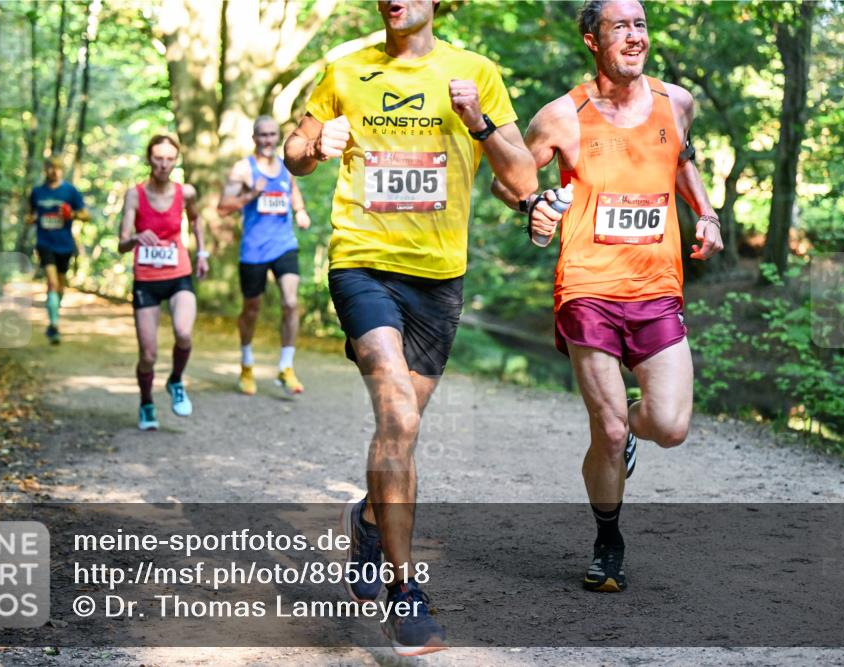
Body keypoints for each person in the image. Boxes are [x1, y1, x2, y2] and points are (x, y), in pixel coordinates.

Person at [284, 0, 538, 656]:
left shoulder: (475, 72)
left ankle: (368, 519)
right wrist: (315, 146)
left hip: (438, 278)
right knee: (397, 415)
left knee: (402, 427)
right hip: (362, 263)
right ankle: (405, 594)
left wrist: (479, 123)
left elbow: (522, 178)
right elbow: (294, 153)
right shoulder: (345, 70)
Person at [493, 0, 724, 593]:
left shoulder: (677, 102)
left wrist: (707, 213)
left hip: (657, 287)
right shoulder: (561, 117)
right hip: (587, 290)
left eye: (640, 24)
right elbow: (507, 179)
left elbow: (681, 158)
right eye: (620, 26)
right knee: (610, 428)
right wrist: (534, 207)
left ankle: (625, 437)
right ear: (593, 41)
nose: (634, 35)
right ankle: (608, 540)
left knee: (669, 425)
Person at [118, 135, 210, 431]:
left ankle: (175, 381)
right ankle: (146, 402)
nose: (163, 164)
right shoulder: (135, 195)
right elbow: (121, 243)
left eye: (170, 159)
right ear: (149, 159)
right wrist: (135, 237)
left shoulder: (186, 192)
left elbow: (195, 220)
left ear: (176, 161)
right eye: (158, 158)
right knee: (148, 355)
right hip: (146, 279)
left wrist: (202, 254)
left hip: (178, 274)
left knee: (183, 332)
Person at [217, 116, 312, 397]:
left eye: (272, 135)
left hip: (284, 245)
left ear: (277, 137)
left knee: (291, 303)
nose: (268, 140)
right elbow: (223, 207)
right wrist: (250, 195)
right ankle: (247, 364)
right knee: (251, 309)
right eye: (262, 135)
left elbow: (292, 191)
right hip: (254, 249)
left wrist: (300, 211)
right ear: (254, 138)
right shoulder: (243, 169)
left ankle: (286, 366)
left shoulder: (285, 166)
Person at [26, 156, 91, 344]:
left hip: (65, 244)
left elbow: (86, 215)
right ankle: (54, 325)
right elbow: (31, 214)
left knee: (60, 286)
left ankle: (55, 312)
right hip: (44, 243)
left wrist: (73, 214)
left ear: (62, 170)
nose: (54, 171)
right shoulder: (37, 192)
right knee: (52, 283)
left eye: (58, 168)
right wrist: (30, 219)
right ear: (45, 169)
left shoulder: (70, 191)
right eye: (50, 168)